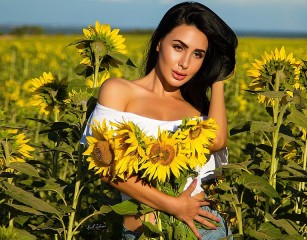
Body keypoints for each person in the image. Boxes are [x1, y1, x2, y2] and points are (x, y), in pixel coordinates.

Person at [81, 1, 237, 239]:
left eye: (198, 54)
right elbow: (105, 166)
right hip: (144, 232)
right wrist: (172, 205)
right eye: (178, 47)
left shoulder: (197, 110)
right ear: (158, 43)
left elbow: (217, 140)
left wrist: (217, 78)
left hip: (206, 232)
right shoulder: (119, 91)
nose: (185, 63)